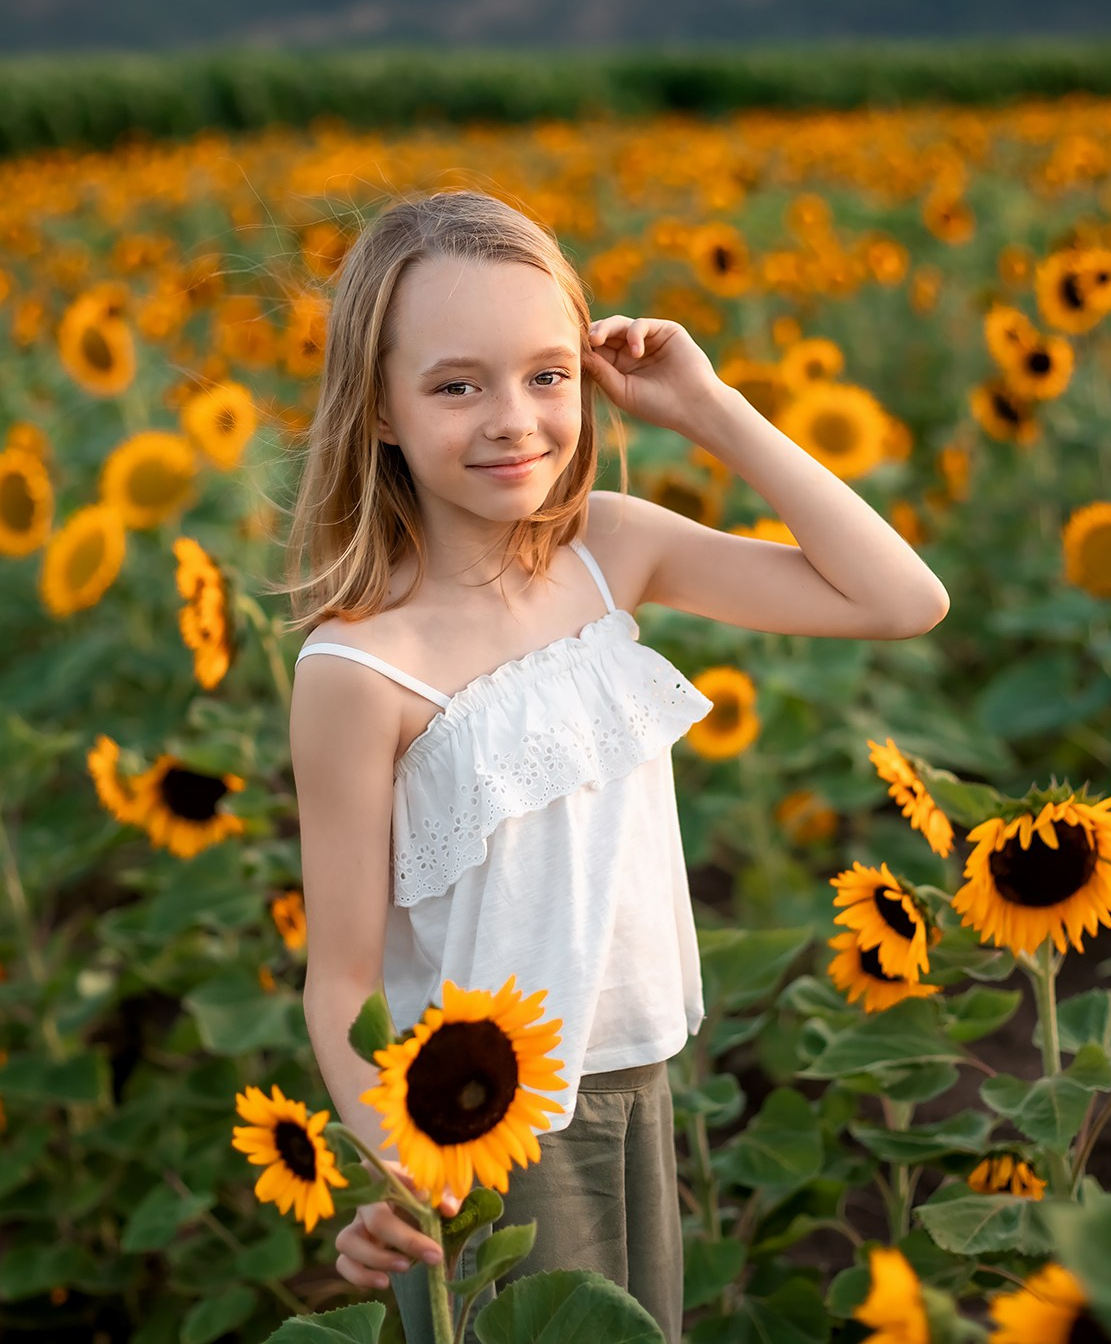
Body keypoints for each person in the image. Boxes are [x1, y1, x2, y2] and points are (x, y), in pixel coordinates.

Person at [275, 189, 949, 1342]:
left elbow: (900, 600)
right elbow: (339, 980)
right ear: (376, 410)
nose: (512, 420)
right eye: (454, 385)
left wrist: (712, 410)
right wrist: (396, 1173)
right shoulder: (360, 669)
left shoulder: (609, 552)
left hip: (637, 1081)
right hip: (486, 1129)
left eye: (547, 375)